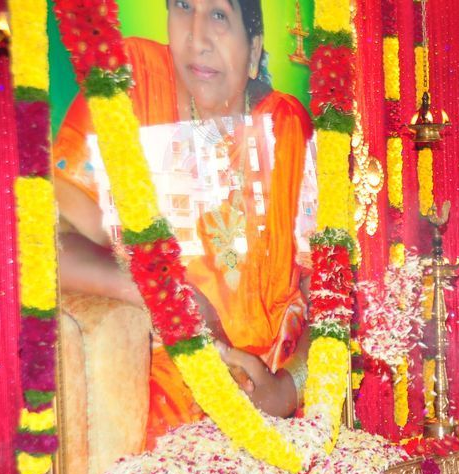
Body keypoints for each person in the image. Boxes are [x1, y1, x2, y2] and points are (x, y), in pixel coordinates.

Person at [54, 0, 312, 448]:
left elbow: (327, 292)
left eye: (218, 15)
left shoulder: (286, 125)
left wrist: (286, 390)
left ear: (254, 52)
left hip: (279, 418)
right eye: (183, 7)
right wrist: (165, 292)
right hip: (158, 423)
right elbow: (50, 244)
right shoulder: (131, 84)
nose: (196, 37)